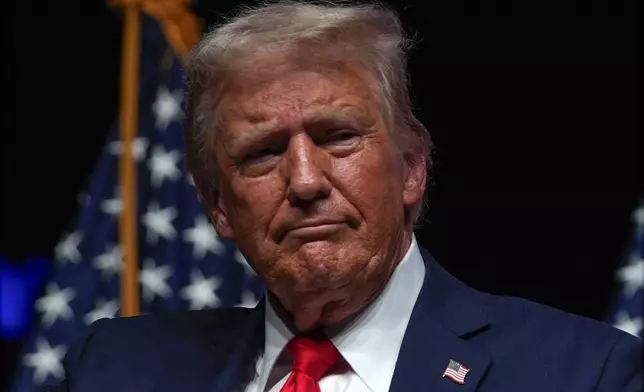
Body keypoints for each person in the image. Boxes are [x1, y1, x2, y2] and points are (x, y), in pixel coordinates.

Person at [53, 1, 642, 391]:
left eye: (338, 139)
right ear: (216, 204)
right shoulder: (115, 368)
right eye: (262, 153)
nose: (305, 181)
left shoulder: (581, 373)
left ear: (412, 169)